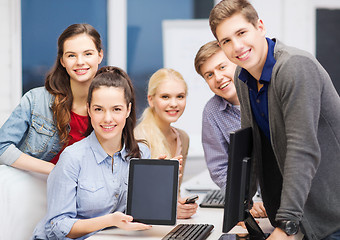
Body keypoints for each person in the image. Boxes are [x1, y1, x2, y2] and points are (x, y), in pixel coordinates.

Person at [209, 0, 340, 239]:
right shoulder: (242, 75)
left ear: (260, 27)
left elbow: (302, 150)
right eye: (226, 41)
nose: (237, 46)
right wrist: (242, 207)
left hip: (331, 214)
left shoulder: (294, 67)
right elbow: (251, 148)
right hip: (300, 213)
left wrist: (286, 224)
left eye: (241, 33)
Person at [32, 66, 152, 240]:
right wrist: (109, 220)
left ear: (128, 109)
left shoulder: (141, 154)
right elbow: (57, 227)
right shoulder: (72, 157)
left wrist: (162, 189)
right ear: (88, 109)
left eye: (116, 109)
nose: (107, 118)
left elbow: (141, 211)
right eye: (99, 109)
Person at [0, 23, 103, 174]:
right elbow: (2, 148)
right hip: (36, 190)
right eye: (71, 55)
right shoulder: (36, 100)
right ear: (62, 61)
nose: (80, 61)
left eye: (87, 54)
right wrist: (57, 170)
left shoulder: (109, 107)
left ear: (100, 55)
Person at [194, 40, 266, 219]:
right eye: (209, 75)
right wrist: (244, 202)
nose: (217, 78)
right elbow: (220, 168)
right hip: (254, 207)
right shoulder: (212, 112)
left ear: (237, 63)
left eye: (222, 67)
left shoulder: (266, 93)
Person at [134, 68, 197, 219]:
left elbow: (175, 191)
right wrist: (168, 209)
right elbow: (134, 199)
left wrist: (180, 204)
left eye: (180, 96)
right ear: (151, 100)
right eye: (165, 97)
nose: (174, 103)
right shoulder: (137, 139)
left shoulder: (183, 138)